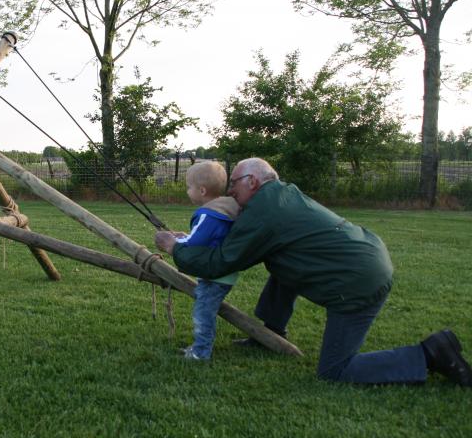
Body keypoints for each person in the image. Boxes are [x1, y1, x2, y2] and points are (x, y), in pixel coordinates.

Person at [155, 157, 472, 386]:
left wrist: (175, 248)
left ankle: (429, 354)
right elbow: (241, 245)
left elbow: (222, 262)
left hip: (358, 282)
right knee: (282, 264)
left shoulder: (262, 212)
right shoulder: (283, 194)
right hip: (367, 257)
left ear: (253, 181)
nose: (230, 190)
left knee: (336, 370)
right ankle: (272, 332)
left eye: (234, 183)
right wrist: (191, 239)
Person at [174, 161, 241, 361]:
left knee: (203, 313)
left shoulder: (208, 214)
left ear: (202, 190)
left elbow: (196, 240)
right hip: (225, 272)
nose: (187, 191)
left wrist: (176, 240)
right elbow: (210, 239)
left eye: (189, 187)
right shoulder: (226, 208)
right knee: (207, 309)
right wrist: (185, 236)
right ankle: (200, 347)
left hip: (215, 275)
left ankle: (200, 352)